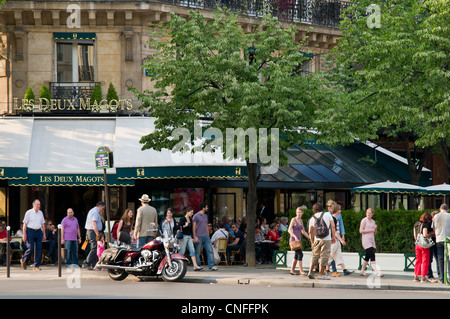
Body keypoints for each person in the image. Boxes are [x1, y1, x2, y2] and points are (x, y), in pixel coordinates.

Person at [307, 203, 335, 280]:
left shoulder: (312, 218)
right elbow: (332, 226)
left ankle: (310, 272)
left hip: (317, 239)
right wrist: (333, 237)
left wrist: (312, 242)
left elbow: (310, 231)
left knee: (314, 256)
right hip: (326, 239)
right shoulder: (327, 214)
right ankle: (320, 274)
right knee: (324, 256)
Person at [328, 202, 353, 276]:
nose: (341, 210)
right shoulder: (332, 219)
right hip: (333, 239)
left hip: (336, 239)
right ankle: (324, 269)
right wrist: (341, 240)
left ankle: (344, 270)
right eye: (339, 209)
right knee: (330, 255)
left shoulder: (336, 218)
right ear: (337, 210)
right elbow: (334, 231)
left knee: (338, 254)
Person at [21, 199, 46, 271]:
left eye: (39, 205)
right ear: (33, 205)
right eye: (37, 205)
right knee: (30, 248)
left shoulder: (40, 213)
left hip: (38, 231)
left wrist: (44, 234)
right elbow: (25, 224)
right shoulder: (28, 212)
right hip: (30, 231)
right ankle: (23, 260)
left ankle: (36, 265)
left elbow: (42, 224)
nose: (39, 206)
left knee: (39, 248)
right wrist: (24, 234)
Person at [193, 202, 217, 271]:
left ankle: (211, 265)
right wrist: (195, 236)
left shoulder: (205, 216)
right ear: (203, 208)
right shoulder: (196, 216)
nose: (207, 208)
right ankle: (197, 265)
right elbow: (194, 227)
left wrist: (208, 234)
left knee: (209, 250)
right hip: (199, 236)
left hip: (206, 236)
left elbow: (206, 225)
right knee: (197, 252)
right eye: (206, 207)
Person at [359, 208, 383, 277]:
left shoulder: (373, 221)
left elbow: (374, 232)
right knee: (372, 255)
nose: (368, 214)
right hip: (366, 240)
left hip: (371, 239)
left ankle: (362, 271)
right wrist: (371, 230)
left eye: (370, 213)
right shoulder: (364, 220)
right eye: (367, 213)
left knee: (367, 256)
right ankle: (376, 271)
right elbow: (361, 231)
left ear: (372, 214)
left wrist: (375, 229)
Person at [179, 206, 203, 271]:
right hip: (184, 236)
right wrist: (185, 226)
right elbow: (180, 228)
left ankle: (195, 265)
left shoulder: (191, 219)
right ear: (187, 212)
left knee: (192, 250)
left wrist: (194, 236)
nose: (192, 213)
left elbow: (192, 229)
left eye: (192, 212)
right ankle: (179, 265)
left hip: (189, 236)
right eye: (191, 212)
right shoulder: (183, 219)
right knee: (182, 251)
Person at [288, 207, 310, 276]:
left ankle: (292, 270)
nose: (298, 213)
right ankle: (301, 271)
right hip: (294, 240)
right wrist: (294, 236)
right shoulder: (293, 219)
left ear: (302, 213)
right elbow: (289, 230)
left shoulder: (301, 220)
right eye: (297, 212)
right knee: (300, 254)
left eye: (300, 212)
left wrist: (309, 237)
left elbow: (303, 231)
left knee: (296, 255)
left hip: (299, 240)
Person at [83, 201, 105, 270]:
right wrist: (98, 234)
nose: (102, 210)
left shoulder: (92, 211)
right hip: (93, 232)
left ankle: (93, 264)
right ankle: (87, 262)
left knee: (95, 247)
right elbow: (94, 224)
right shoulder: (95, 212)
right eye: (103, 208)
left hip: (90, 231)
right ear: (100, 206)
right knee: (95, 247)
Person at [431, 204, 450, 284]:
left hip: (439, 239)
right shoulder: (449, 216)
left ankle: (441, 278)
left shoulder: (436, 216)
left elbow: (434, 228)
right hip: (448, 239)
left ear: (440, 209)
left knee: (440, 259)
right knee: (449, 259)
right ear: (447, 209)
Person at [413, 212, 433, 282]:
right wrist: (432, 234)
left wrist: (417, 241)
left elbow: (415, 235)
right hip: (424, 245)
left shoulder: (416, 224)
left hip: (417, 244)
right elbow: (425, 234)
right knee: (425, 260)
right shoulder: (425, 225)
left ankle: (416, 276)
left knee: (418, 260)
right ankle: (423, 277)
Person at [427, 211, 440, 283]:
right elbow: (427, 233)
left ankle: (440, 275)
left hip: (436, 242)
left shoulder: (438, 223)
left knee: (438, 259)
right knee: (430, 260)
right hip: (430, 243)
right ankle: (430, 275)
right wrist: (434, 233)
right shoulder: (429, 224)